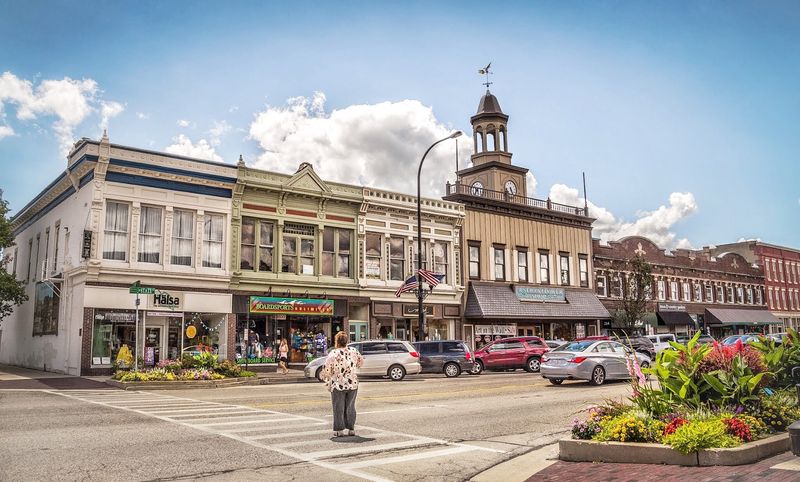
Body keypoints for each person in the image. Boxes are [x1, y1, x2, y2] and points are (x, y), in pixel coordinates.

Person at [322, 331, 364, 437]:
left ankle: (339, 430)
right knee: (350, 407)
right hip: (352, 383)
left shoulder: (333, 353)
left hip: (338, 384)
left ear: (337, 341)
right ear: (346, 341)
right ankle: (351, 429)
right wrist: (353, 367)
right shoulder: (354, 351)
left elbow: (327, 368)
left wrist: (328, 377)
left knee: (338, 407)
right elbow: (361, 362)